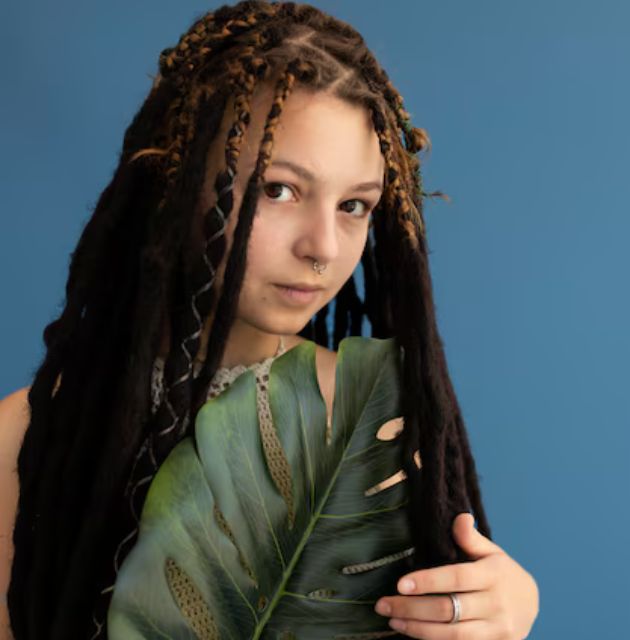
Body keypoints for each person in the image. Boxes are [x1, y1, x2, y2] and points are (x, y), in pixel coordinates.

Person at [0, 1, 539, 638]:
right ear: (178, 183)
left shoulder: (375, 421)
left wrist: (506, 604)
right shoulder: (33, 438)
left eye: (355, 205)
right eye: (277, 190)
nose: (324, 247)